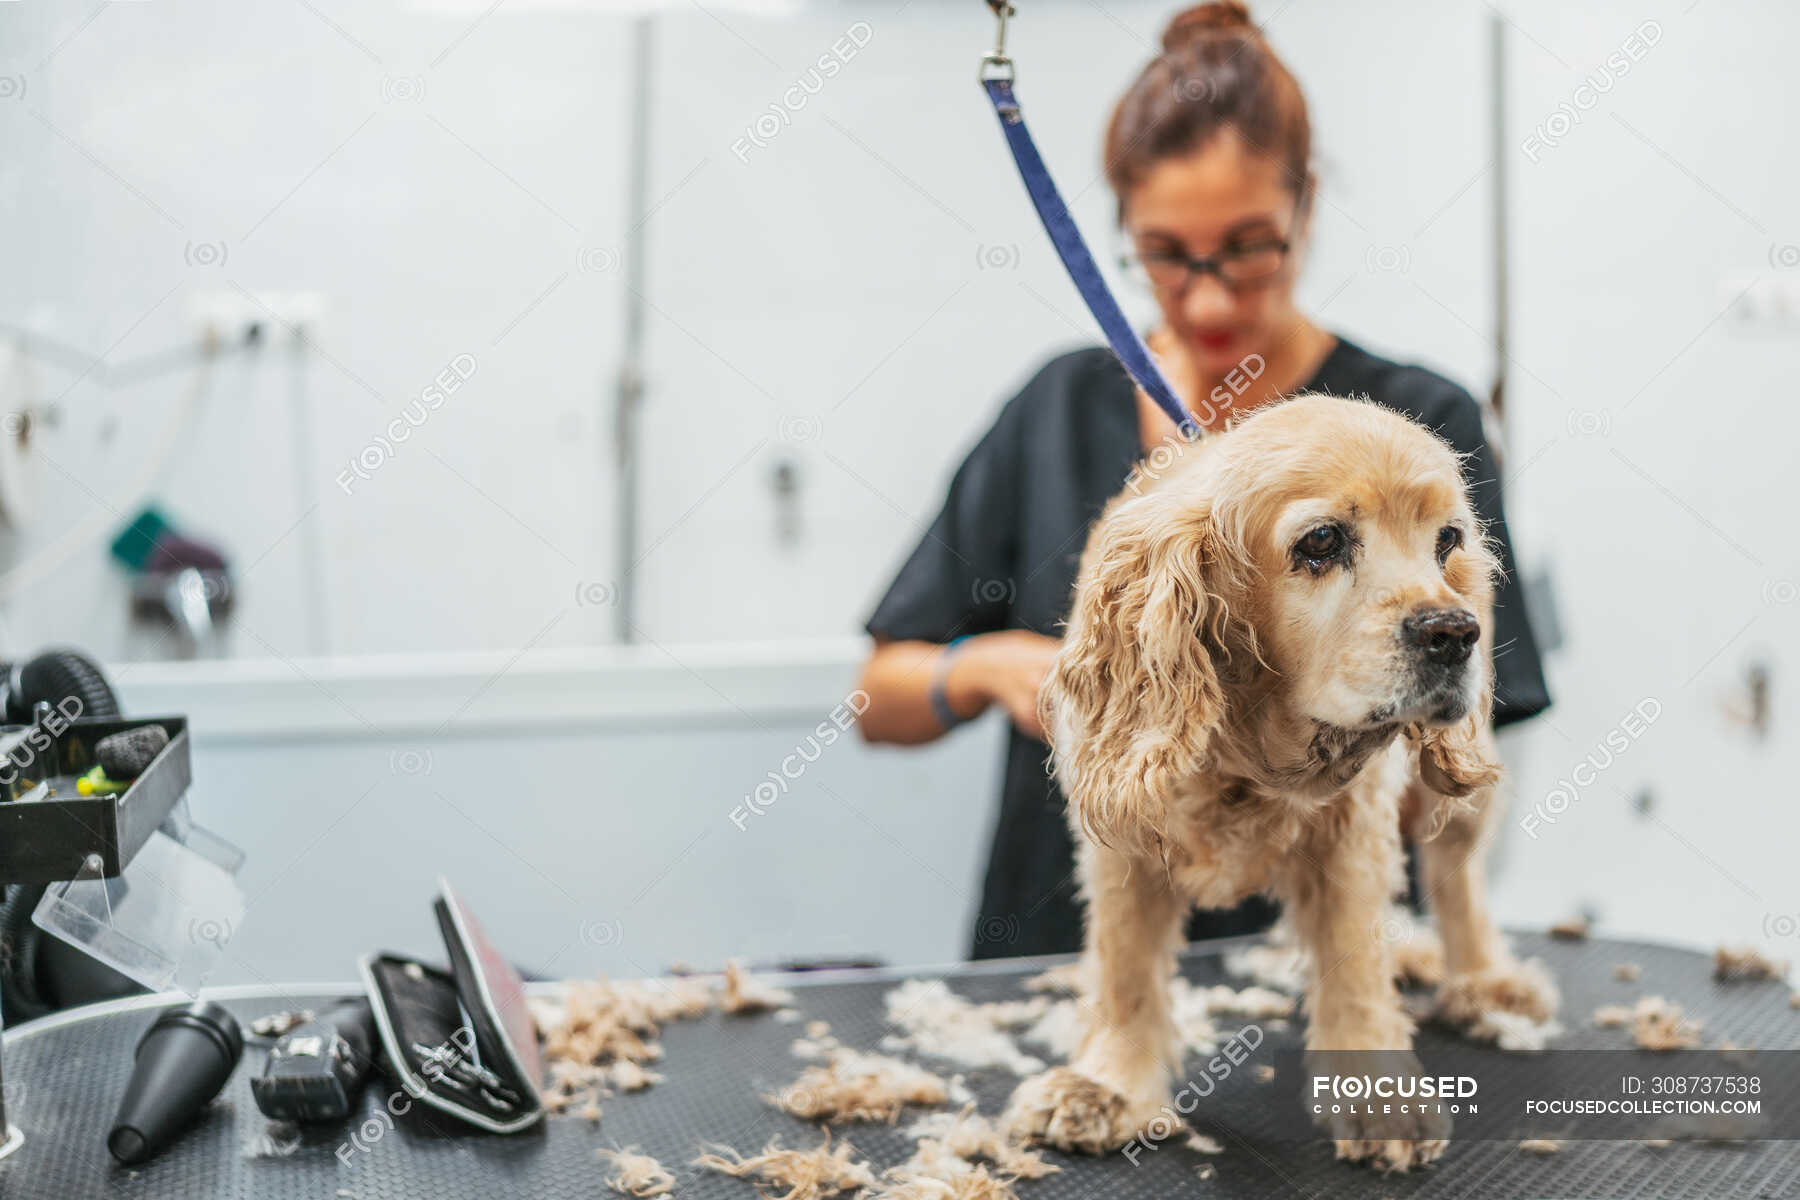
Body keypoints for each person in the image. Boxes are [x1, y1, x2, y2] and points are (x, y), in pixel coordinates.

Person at [857, 1, 1550, 959]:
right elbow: (875, 699)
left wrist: (1347, 717)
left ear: (1307, 205)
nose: (1211, 295)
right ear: (1123, 234)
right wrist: (991, 669)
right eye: (1168, 257)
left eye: (1248, 247)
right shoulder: (1057, 408)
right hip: (1066, 946)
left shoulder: (1417, 425)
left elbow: (1469, 746)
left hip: (1318, 953)